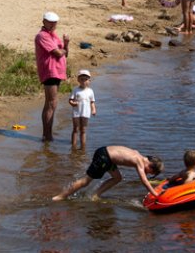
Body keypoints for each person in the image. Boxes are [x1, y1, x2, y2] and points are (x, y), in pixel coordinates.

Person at [52, 145, 163, 201]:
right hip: (104, 157)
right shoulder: (139, 161)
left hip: (107, 156)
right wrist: (155, 194)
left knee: (117, 178)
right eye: (150, 172)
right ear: (151, 166)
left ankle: (95, 195)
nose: (147, 174)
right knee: (86, 181)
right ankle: (60, 197)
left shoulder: (138, 154)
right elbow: (144, 181)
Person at [35, 11, 69, 142]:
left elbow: (65, 53)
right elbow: (58, 53)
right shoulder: (42, 36)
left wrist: (66, 44)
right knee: (51, 103)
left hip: (57, 71)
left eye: (54, 22)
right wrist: (63, 50)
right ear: (44, 22)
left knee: (52, 103)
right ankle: (47, 135)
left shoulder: (54, 36)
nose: (53, 24)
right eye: (50, 22)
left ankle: (48, 134)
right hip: (50, 71)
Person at [69, 69, 97, 149]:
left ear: (89, 81)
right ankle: (73, 145)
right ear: (78, 80)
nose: (84, 81)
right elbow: (70, 100)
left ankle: (83, 145)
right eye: (82, 79)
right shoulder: (75, 90)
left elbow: (92, 102)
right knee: (75, 128)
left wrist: (93, 110)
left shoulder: (90, 91)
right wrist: (73, 103)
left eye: (86, 79)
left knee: (83, 130)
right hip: (76, 113)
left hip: (86, 113)